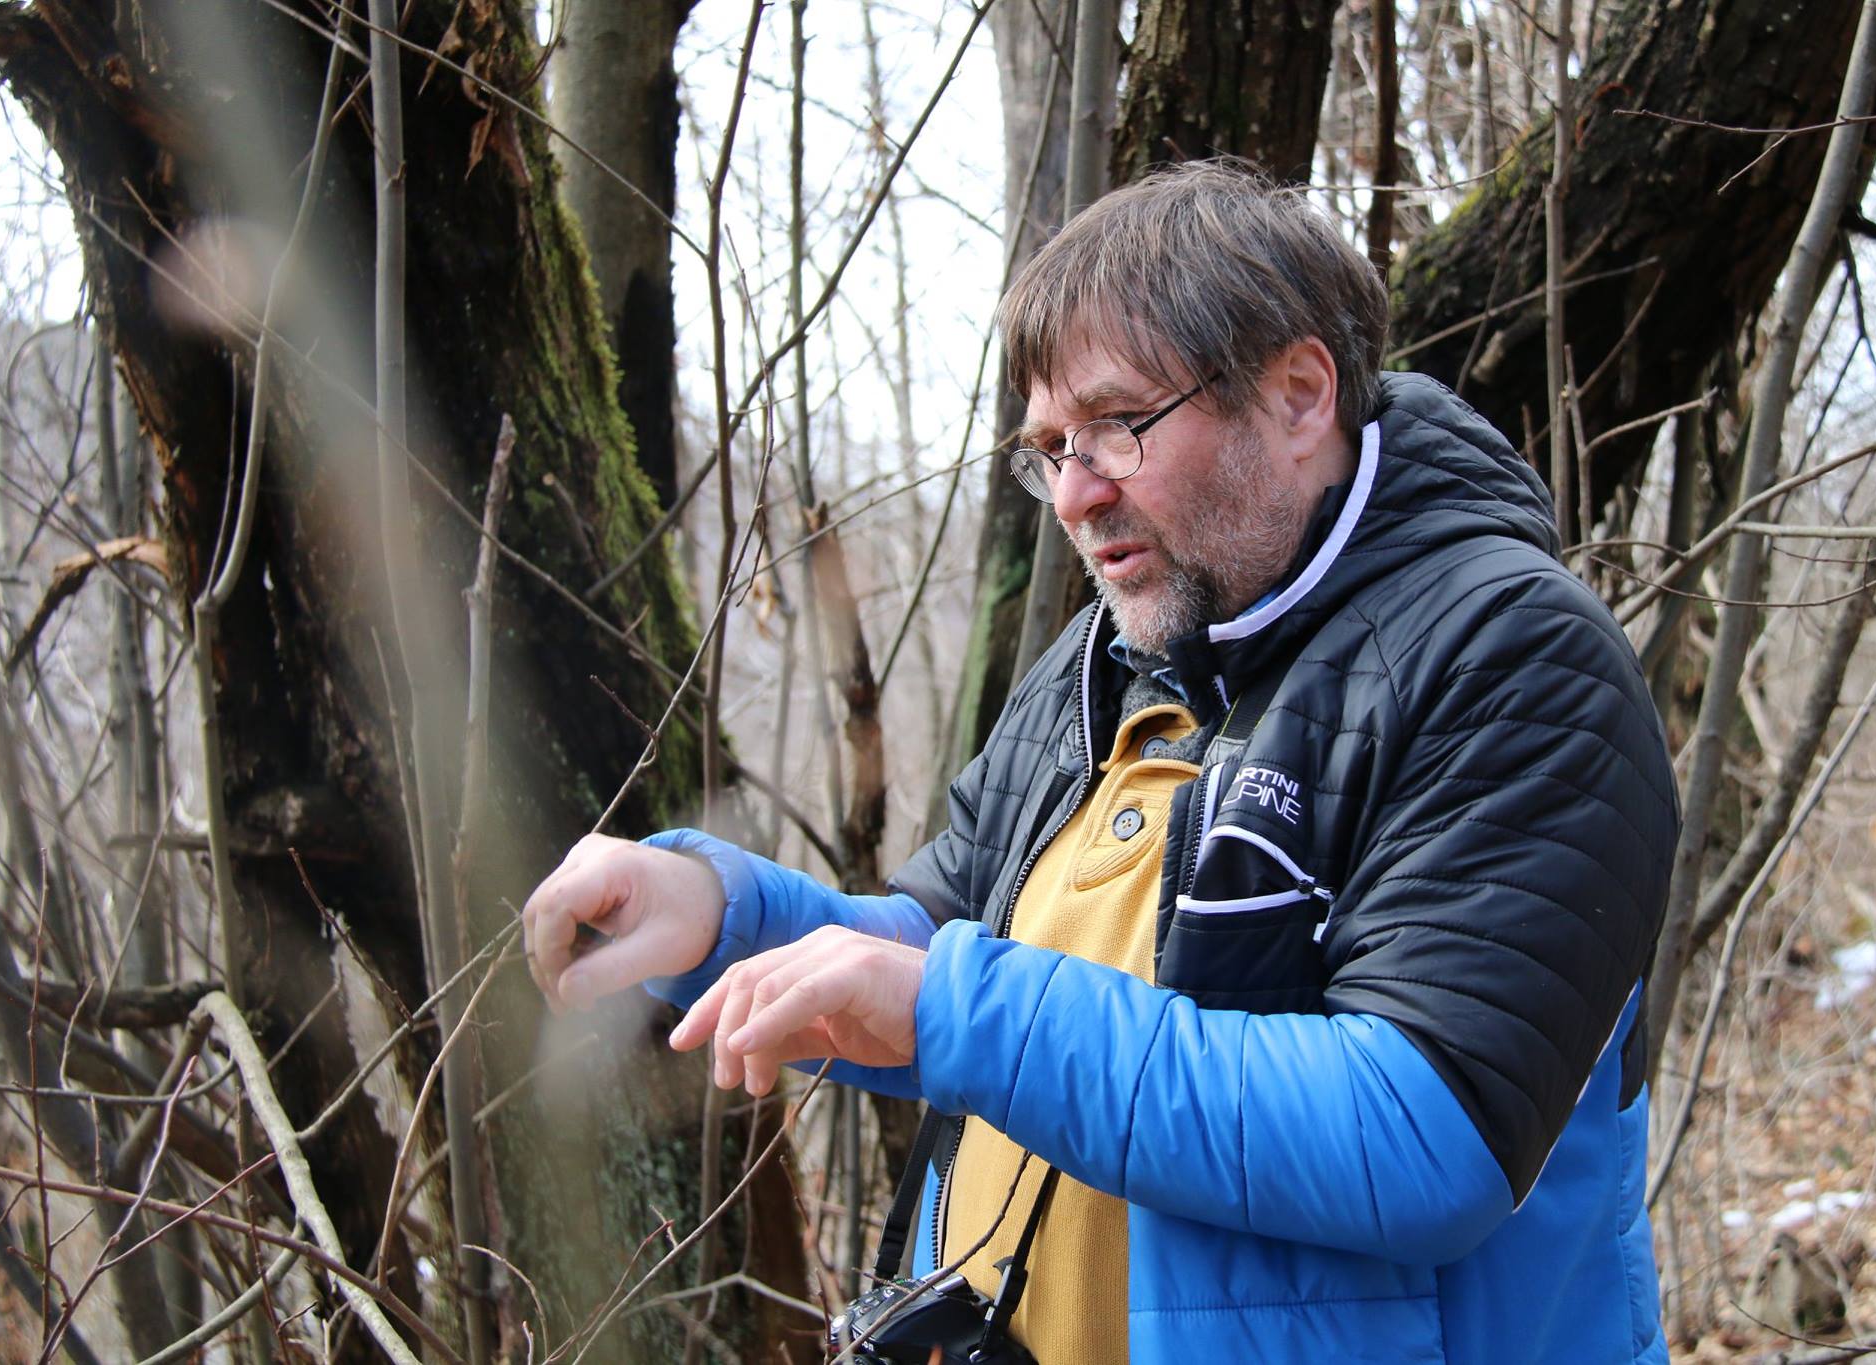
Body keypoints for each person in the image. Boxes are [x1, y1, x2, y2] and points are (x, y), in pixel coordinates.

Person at [523, 159, 1676, 1364]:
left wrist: (950, 1008)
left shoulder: (1512, 657)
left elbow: (1420, 1138)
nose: (1072, 496)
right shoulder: (1106, 664)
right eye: (1048, 447)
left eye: (1117, 427)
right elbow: (930, 952)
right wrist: (724, 920)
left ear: (1296, 396)